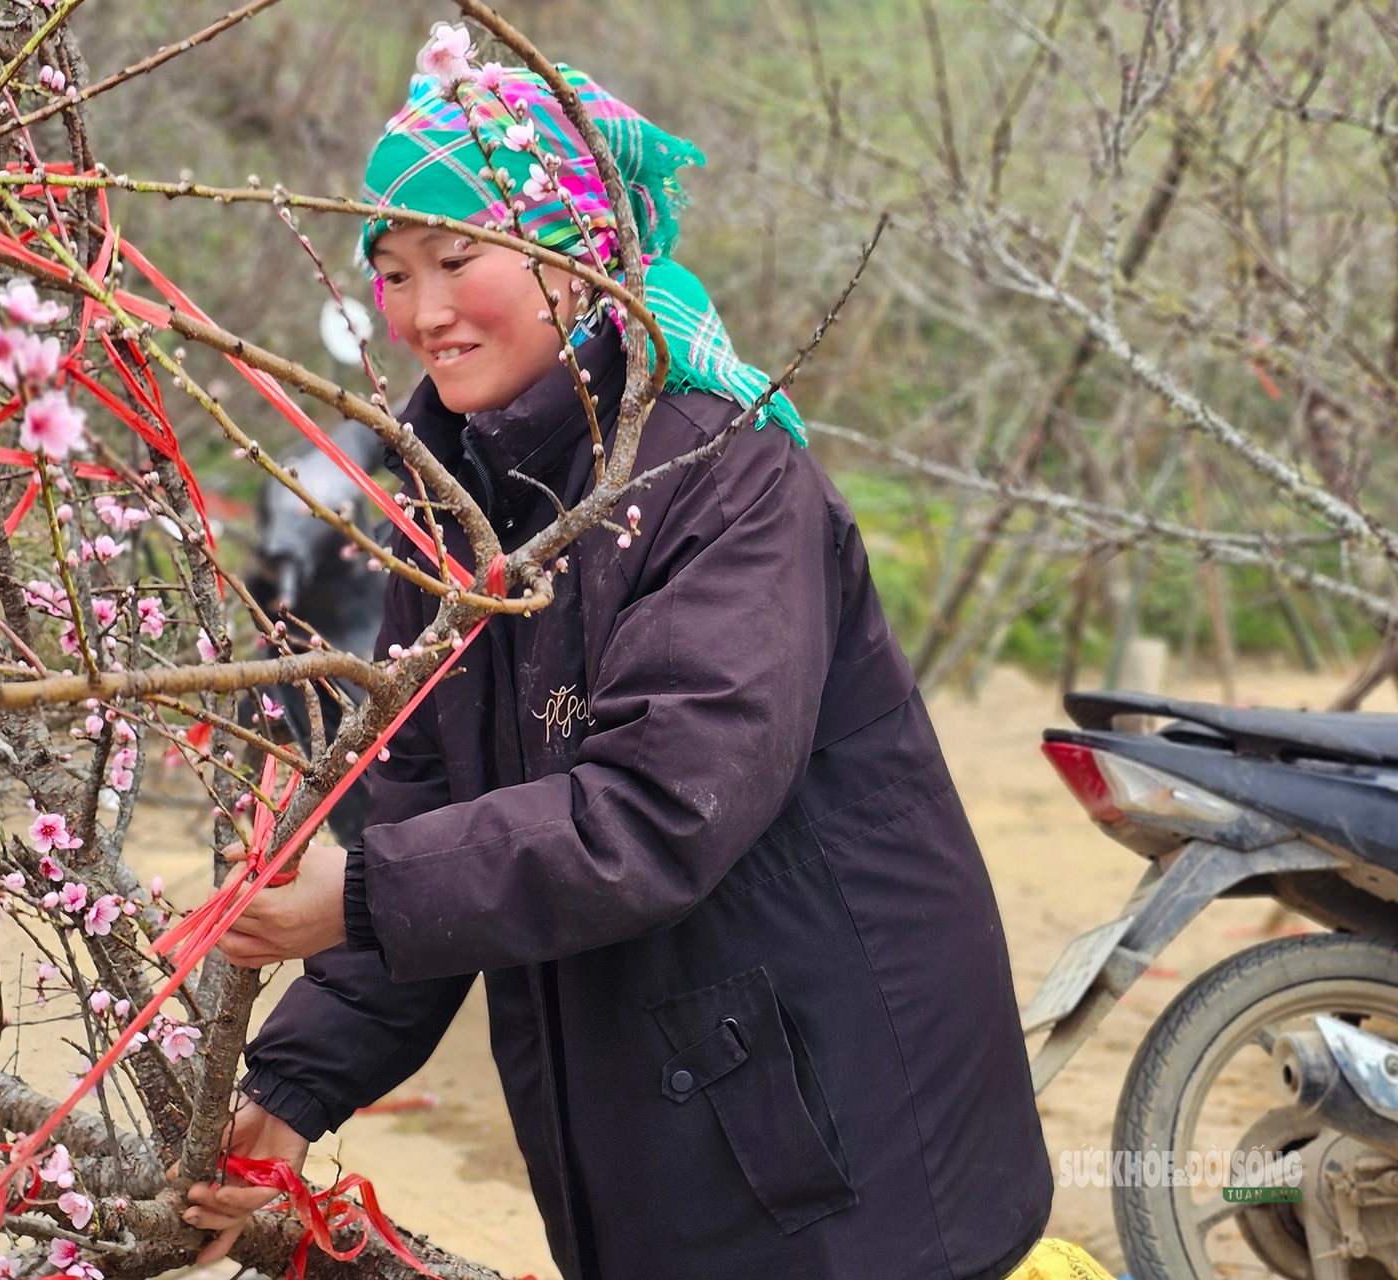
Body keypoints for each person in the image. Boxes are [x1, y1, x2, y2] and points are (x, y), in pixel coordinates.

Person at [185, 29, 1092, 1280]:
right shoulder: (453, 516)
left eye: (458, 256)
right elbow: (424, 825)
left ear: (579, 252)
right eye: (391, 272)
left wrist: (362, 894)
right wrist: (284, 1099)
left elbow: (662, 804)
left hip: (843, 1130)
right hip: (662, 1120)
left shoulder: (720, 476)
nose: (423, 312)